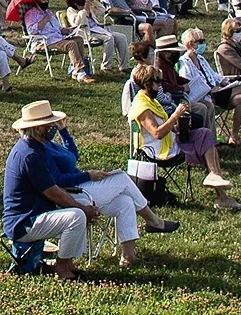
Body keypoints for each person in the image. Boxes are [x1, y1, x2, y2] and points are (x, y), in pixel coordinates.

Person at [44, 108, 180, 267]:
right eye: (51, 123)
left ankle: (128, 256)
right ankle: (153, 220)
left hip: (82, 186)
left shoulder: (51, 144)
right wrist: (88, 175)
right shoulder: (43, 151)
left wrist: (63, 130)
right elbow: (58, 181)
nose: (53, 125)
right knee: (122, 178)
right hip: (73, 195)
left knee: (125, 201)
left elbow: (72, 155)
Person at [3, 100, 100, 281]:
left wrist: (83, 206)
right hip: (24, 223)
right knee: (77, 216)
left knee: (81, 210)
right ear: (38, 128)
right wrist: (82, 208)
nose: (54, 126)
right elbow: (52, 192)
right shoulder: (30, 155)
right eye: (50, 124)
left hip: (34, 214)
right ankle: (62, 268)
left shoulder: (34, 148)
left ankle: (68, 263)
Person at [129, 65, 241, 210]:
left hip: (170, 140)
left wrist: (178, 126)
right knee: (204, 139)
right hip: (160, 151)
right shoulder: (142, 106)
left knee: (204, 134)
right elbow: (157, 133)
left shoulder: (150, 100)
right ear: (148, 84)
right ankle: (220, 192)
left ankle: (215, 178)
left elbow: (164, 126)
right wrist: (175, 116)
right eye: (158, 83)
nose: (160, 87)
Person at [179, 28, 241, 146]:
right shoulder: (184, 63)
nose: (204, 44)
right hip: (204, 96)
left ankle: (235, 136)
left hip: (217, 92)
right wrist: (210, 89)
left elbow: (214, 75)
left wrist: (226, 82)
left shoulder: (201, 59)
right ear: (191, 44)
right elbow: (189, 83)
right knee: (240, 89)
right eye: (200, 41)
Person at [25, 0, 95, 83]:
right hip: (44, 42)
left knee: (79, 39)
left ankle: (75, 71)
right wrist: (44, 20)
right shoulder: (31, 14)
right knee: (71, 44)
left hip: (58, 39)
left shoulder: (48, 12)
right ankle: (81, 73)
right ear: (37, 0)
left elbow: (57, 28)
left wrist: (66, 30)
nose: (46, 2)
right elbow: (31, 31)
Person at [153, 35, 216, 136]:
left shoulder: (168, 64)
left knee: (209, 105)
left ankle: (211, 138)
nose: (177, 54)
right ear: (165, 53)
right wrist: (182, 88)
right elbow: (163, 86)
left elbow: (177, 79)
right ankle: (201, 140)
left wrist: (191, 82)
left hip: (181, 97)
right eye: (174, 52)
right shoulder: (158, 67)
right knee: (201, 108)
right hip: (173, 101)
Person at [65, 0, 130, 73]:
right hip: (86, 33)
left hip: (98, 30)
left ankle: (124, 66)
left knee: (121, 37)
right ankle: (106, 67)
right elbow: (76, 23)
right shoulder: (71, 10)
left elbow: (102, 10)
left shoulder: (89, 7)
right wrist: (84, 10)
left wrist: (94, 1)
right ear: (74, 1)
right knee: (109, 38)